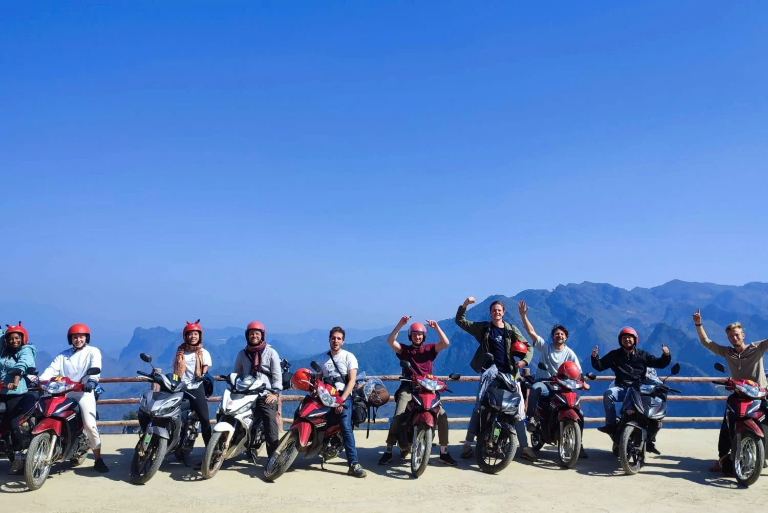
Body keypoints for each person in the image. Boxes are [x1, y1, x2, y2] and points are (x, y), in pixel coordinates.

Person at [455, 297, 536, 461]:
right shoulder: (484, 328)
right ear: (490, 313)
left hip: (510, 375)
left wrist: (524, 361)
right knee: (481, 408)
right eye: (494, 310)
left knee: (517, 411)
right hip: (488, 375)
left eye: (499, 310)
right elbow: (460, 321)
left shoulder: (511, 330)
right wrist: (465, 305)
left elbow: (528, 346)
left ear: (503, 313)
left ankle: (525, 447)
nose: (497, 312)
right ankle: (468, 445)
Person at [692, 308, 768, 473]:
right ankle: (722, 459)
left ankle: (763, 453)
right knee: (727, 426)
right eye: (730, 336)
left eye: (737, 334)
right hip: (739, 395)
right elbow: (706, 342)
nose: (734, 338)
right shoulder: (727, 352)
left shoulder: (757, 348)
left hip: (760, 394)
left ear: (743, 335)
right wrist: (698, 324)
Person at [378, 316, 456, 466]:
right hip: (408, 387)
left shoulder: (430, 349)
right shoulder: (405, 350)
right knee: (399, 414)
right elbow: (390, 342)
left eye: (420, 334)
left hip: (428, 388)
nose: (417, 336)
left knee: (442, 415)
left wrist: (437, 327)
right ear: (410, 336)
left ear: (424, 336)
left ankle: (444, 452)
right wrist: (400, 324)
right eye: (414, 334)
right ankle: (388, 450)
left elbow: (445, 343)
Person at [517, 301, 589, 458]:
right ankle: (530, 419)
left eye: (562, 334)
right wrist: (523, 315)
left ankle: (579, 444)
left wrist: (583, 382)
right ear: (552, 336)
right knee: (535, 388)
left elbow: (578, 371)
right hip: (545, 383)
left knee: (580, 413)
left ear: (566, 337)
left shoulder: (570, 353)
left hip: (563, 386)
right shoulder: (545, 346)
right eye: (557, 333)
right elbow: (531, 332)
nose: (559, 335)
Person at [40, 323, 108, 472]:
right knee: (45, 412)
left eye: (81, 336)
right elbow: (50, 370)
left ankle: (98, 459)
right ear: (70, 339)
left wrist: (92, 380)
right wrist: (40, 381)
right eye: (75, 337)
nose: (78, 339)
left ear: (86, 338)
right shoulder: (63, 355)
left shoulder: (93, 351)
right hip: (64, 392)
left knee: (90, 425)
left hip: (83, 392)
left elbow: (95, 367)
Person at [591, 326, 670, 454]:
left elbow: (659, 363)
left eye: (629, 337)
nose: (627, 340)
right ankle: (611, 425)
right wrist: (595, 357)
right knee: (608, 394)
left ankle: (650, 438)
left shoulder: (643, 355)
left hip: (639, 389)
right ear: (620, 340)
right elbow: (600, 366)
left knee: (655, 407)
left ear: (635, 340)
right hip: (622, 387)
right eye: (624, 338)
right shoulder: (614, 355)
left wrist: (666, 355)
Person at [317, 326, 366, 478]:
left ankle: (353, 463)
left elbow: (351, 381)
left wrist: (341, 400)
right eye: (333, 338)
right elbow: (317, 380)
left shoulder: (348, 357)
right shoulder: (322, 359)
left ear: (343, 341)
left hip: (343, 397)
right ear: (329, 340)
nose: (335, 341)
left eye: (339, 338)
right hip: (325, 397)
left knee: (345, 425)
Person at [233, 321, 282, 459]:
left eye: (257, 333)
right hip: (247, 393)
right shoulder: (242, 354)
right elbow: (236, 374)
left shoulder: (271, 352)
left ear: (262, 335)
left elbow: (277, 376)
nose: (254, 336)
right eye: (251, 333)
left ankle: (273, 457)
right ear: (247, 336)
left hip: (266, 393)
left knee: (269, 420)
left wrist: (275, 393)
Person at [172, 320, 213, 469]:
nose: (193, 336)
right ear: (185, 336)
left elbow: (204, 371)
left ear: (200, 336)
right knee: (176, 417)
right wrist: (174, 384)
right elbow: (175, 373)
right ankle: (175, 447)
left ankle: (210, 452)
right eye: (190, 334)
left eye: (196, 334)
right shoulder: (179, 353)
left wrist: (200, 377)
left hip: (196, 388)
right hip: (181, 388)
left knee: (205, 420)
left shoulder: (203, 353)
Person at [0, 323, 37, 474]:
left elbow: (23, 363)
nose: (14, 341)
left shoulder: (26, 349)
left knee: (14, 424)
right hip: (2, 391)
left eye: (17, 338)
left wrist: (15, 381)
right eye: (11, 338)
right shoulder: (3, 351)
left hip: (17, 393)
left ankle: (19, 455)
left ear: (23, 338)